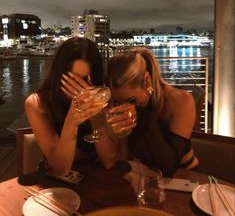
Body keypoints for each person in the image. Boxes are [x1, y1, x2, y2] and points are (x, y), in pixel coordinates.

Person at [99, 47, 199, 176]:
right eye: (119, 102)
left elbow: (168, 165)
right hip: (143, 177)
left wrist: (141, 114)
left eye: (132, 100)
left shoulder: (181, 101)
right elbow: (121, 158)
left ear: (147, 80)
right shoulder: (119, 107)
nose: (125, 107)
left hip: (183, 177)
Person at [24, 37, 108, 175]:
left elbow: (109, 161)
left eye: (84, 80)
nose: (80, 88)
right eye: (72, 80)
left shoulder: (102, 95)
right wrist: (72, 121)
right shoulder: (37, 104)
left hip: (98, 177)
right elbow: (60, 168)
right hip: (57, 184)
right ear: (59, 74)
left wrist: (96, 117)